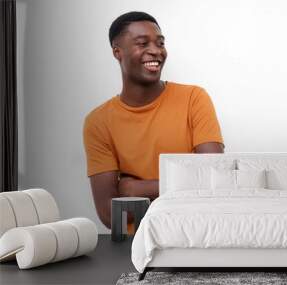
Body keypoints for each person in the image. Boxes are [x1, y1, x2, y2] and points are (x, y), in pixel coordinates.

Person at [83, 11, 224, 229]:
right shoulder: (98, 122)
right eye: (142, 43)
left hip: (194, 237)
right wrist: (185, 184)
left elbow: (215, 181)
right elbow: (110, 215)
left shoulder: (194, 99)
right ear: (117, 52)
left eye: (160, 43)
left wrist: (133, 190)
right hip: (133, 249)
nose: (155, 51)